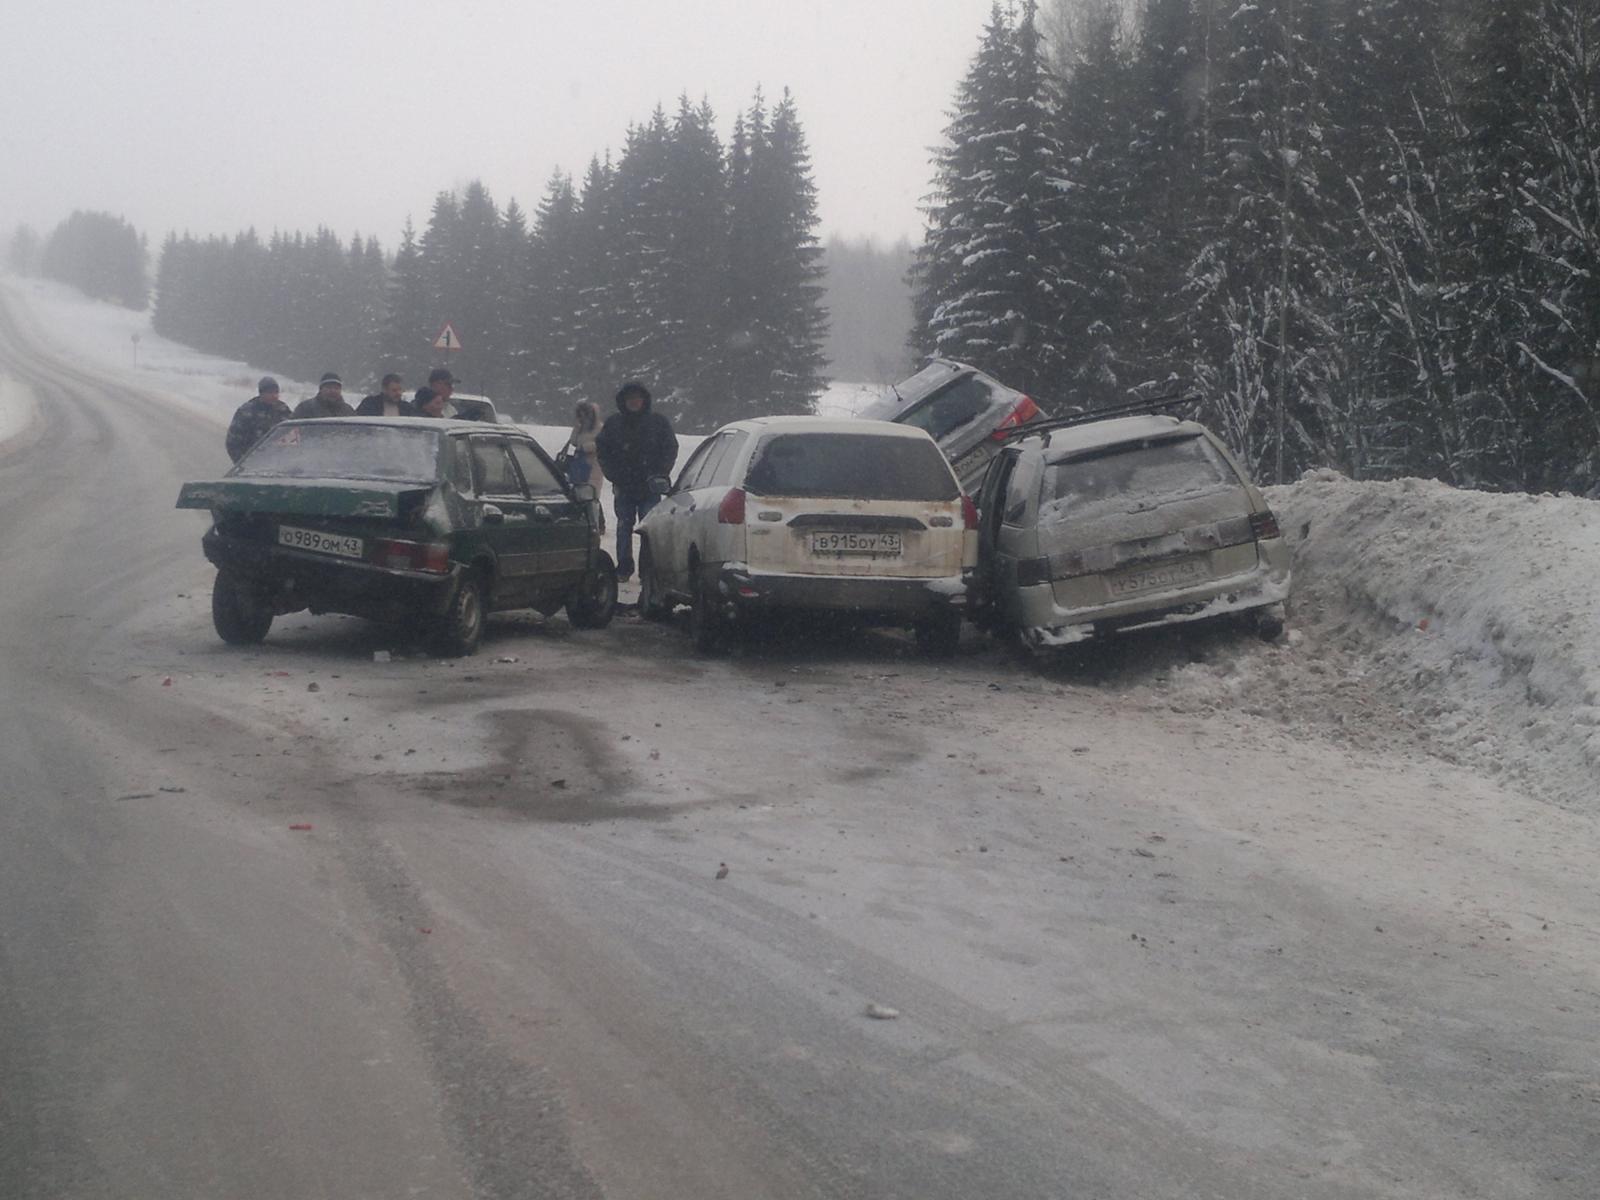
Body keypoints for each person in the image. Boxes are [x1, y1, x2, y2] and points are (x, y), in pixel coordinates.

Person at [595, 380, 676, 581]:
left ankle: (647, 569)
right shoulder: (613, 424)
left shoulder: (658, 423)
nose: (634, 402)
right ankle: (624, 567)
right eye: (630, 399)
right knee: (624, 527)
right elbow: (602, 450)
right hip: (624, 486)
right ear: (623, 401)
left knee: (649, 531)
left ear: (644, 400)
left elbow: (670, 448)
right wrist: (613, 474)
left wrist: (660, 473)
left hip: (650, 487)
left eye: (637, 398)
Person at [563, 400, 606, 532]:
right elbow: (573, 441)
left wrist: (586, 447)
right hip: (579, 464)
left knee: (592, 493)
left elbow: (602, 444)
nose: (583, 418)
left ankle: (598, 522)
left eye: (585, 415)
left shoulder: (600, 428)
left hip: (594, 465)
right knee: (579, 491)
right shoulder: (581, 428)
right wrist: (577, 427)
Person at [225, 376, 291, 462]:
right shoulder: (247, 411)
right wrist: (242, 463)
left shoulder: (283, 410)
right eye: (270, 393)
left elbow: (293, 433)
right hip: (252, 462)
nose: (274, 396)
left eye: (276, 392)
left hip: (277, 463)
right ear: (262, 393)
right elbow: (232, 442)